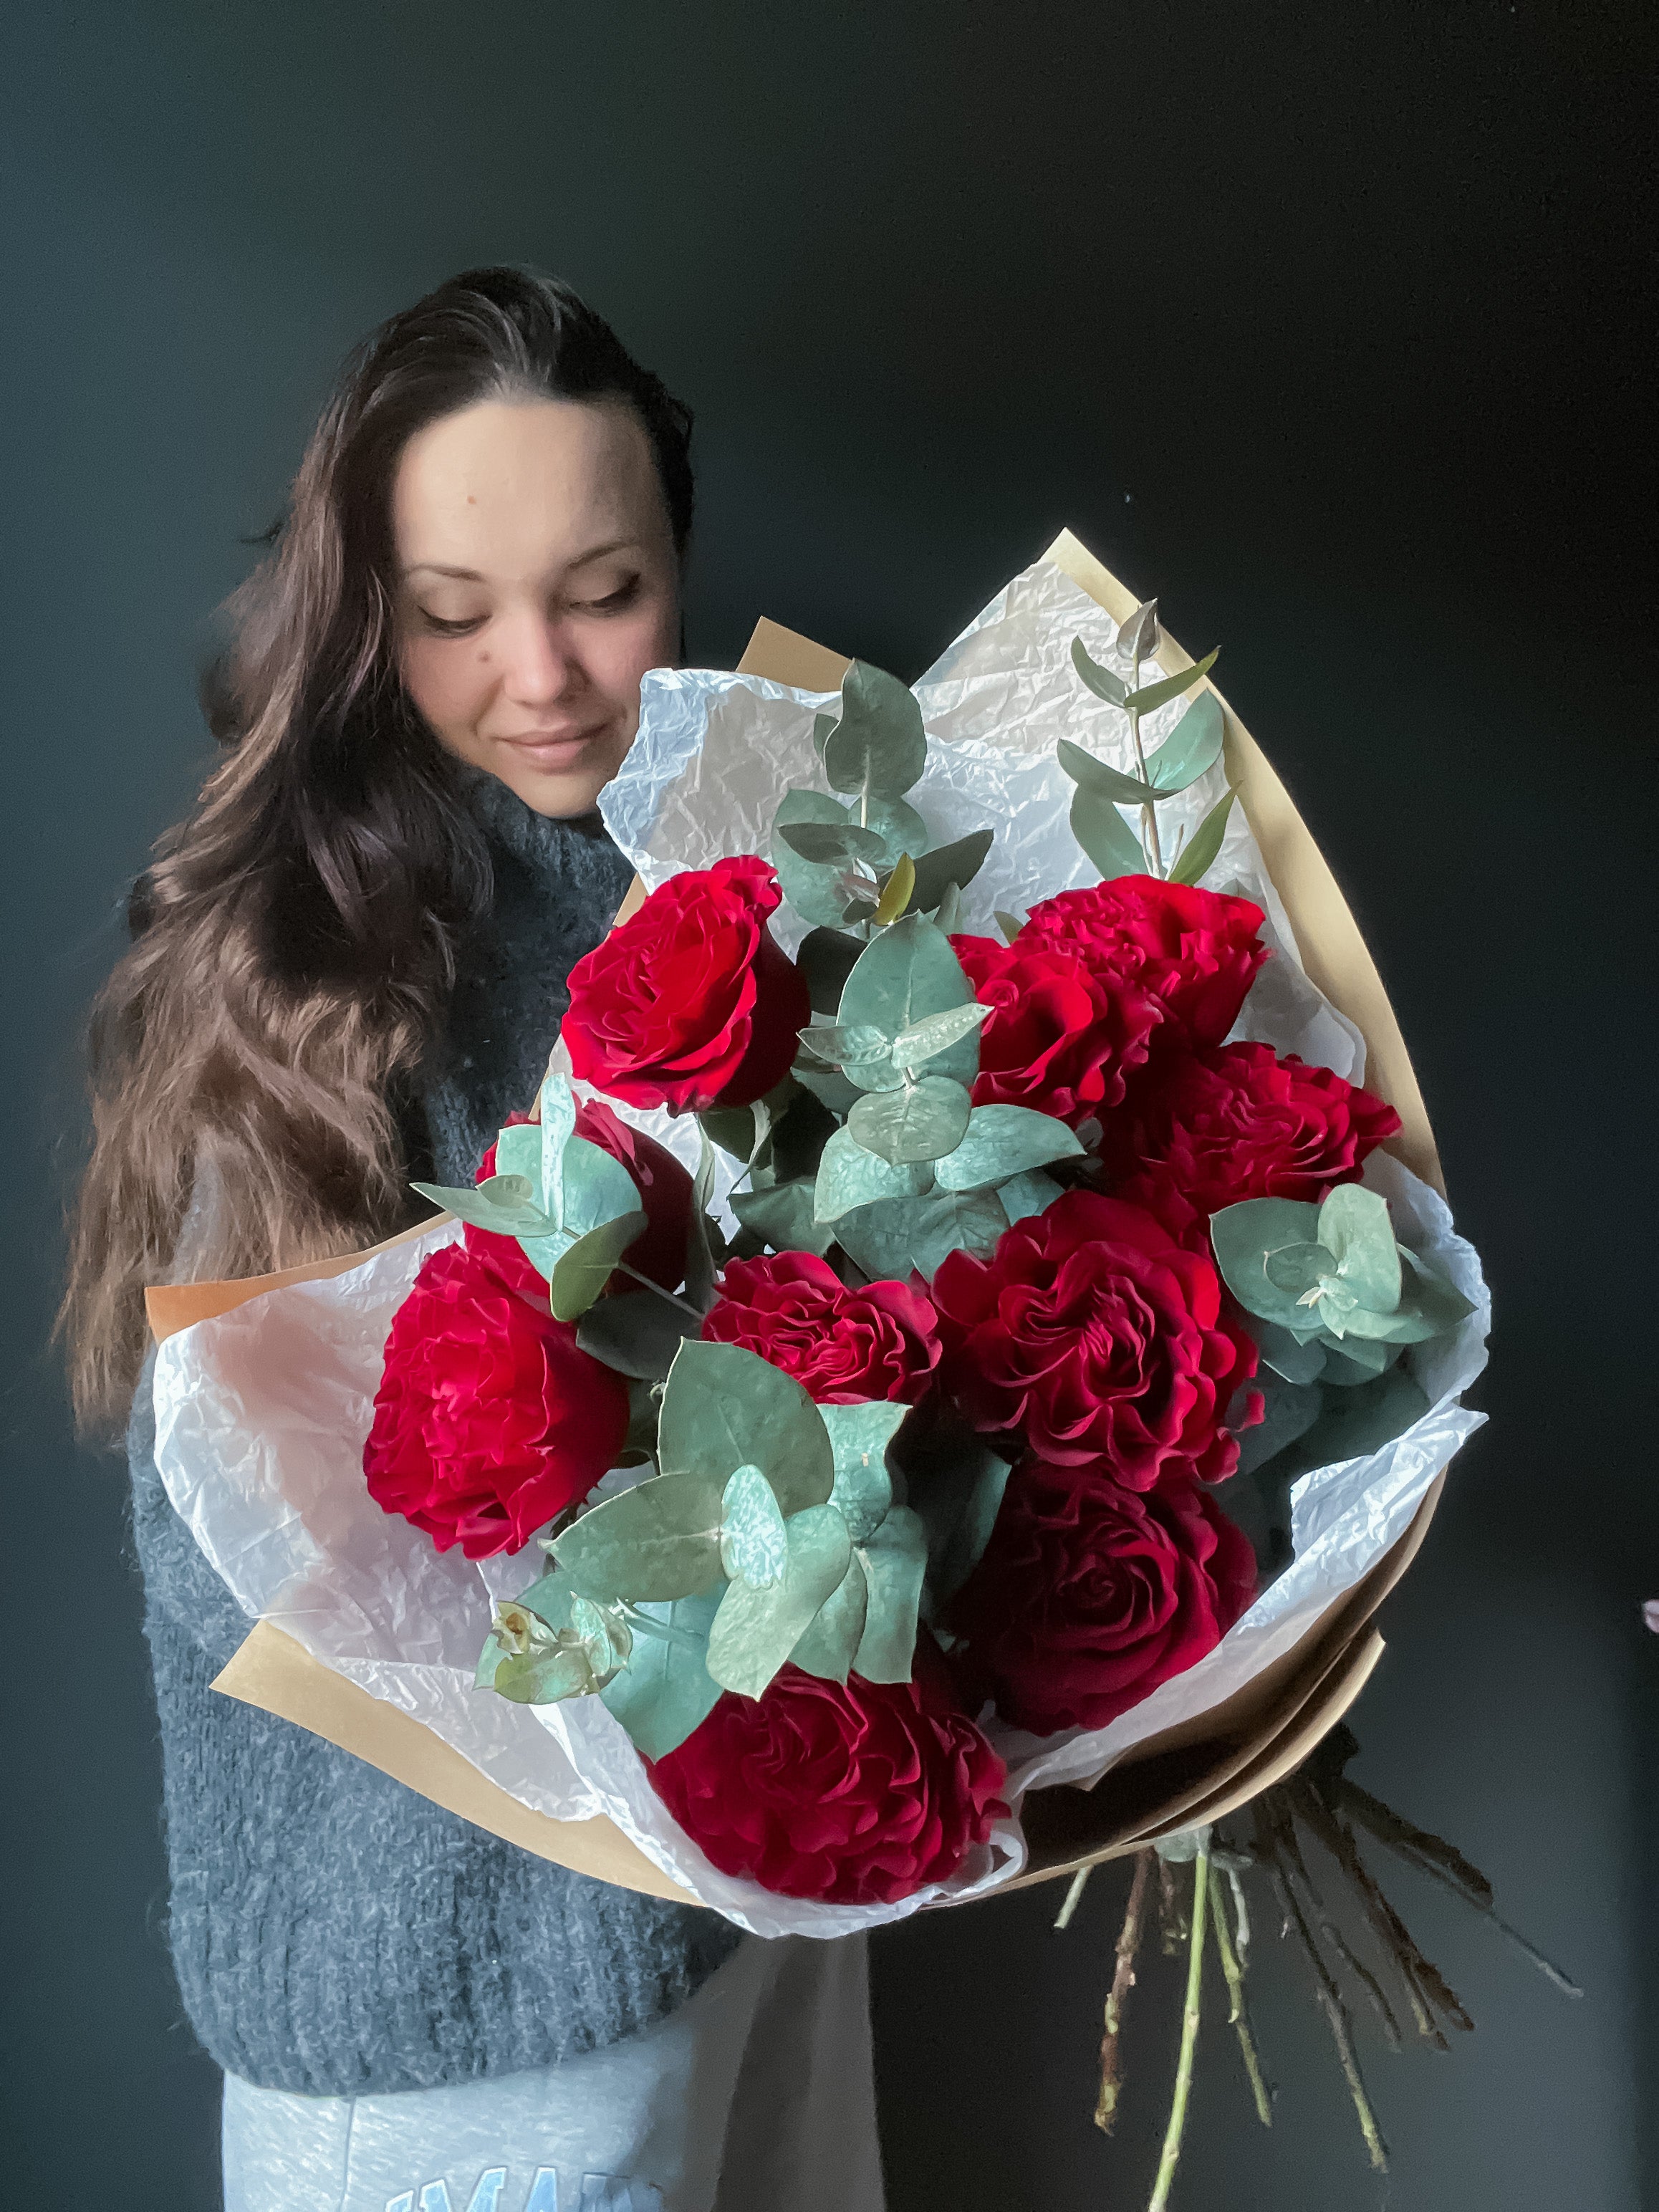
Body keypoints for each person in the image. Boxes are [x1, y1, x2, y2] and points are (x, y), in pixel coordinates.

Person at [60, 266, 885, 2212]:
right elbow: (244, 1561)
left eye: (604, 590)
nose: (544, 676)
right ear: (365, 618)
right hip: (450, 2013)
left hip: (749, 1916)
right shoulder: (308, 975)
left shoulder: (736, 875)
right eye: (452, 615)